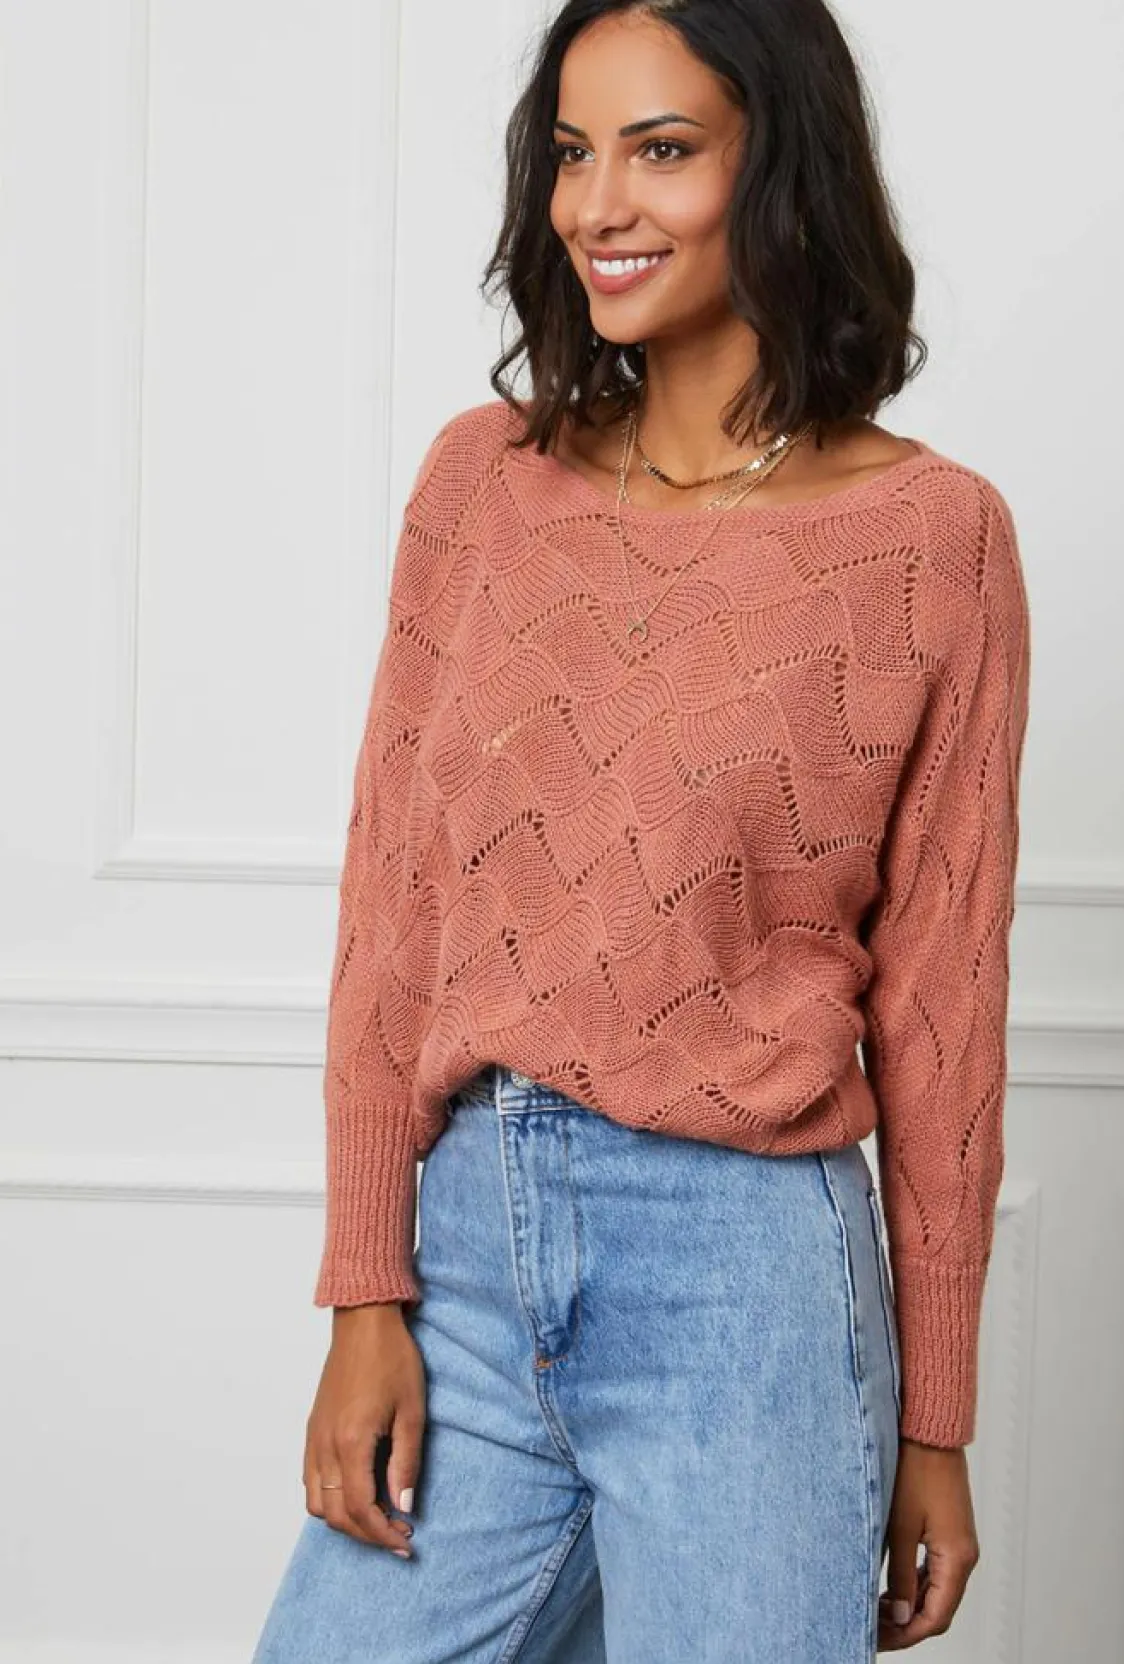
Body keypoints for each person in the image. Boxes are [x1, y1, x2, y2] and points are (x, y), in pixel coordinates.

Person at [251, 0, 1030, 1658]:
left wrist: (935, 1425)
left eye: (662, 150)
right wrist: (363, 1288)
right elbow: (392, 908)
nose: (599, 204)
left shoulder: (932, 541)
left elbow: (942, 1008)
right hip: (469, 1253)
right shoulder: (483, 486)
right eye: (572, 153)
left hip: (747, 1291)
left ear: (783, 167)